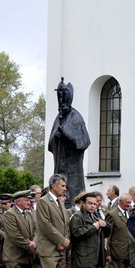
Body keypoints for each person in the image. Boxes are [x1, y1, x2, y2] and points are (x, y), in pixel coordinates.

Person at [26, 174, 71, 268]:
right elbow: (45, 225)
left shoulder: (59, 202)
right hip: (48, 248)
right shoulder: (44, 202)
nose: (65, 188)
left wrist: (65, 241)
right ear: (54, 185)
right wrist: (60, 240)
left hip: (60, 249)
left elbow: (65, 224)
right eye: (62, 186)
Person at [48, 79, 90, 207]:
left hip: (73, 169)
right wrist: (57, 137)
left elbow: (84, 142)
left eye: (63, 100)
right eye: (59, 101)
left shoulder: (76, 118)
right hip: (60, 167)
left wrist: (66, 135)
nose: (61, 104)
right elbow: (50, 144)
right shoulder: (58, 118)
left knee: (74, 196)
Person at [103, 192, 132, 268]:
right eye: (127, 203)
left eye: (130, 203)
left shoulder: (129, 214)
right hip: (117, 251)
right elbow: (108, 235)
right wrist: (108, 252)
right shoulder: (112, 214)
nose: (129, 205)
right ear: (120, 202)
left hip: (129, 251)